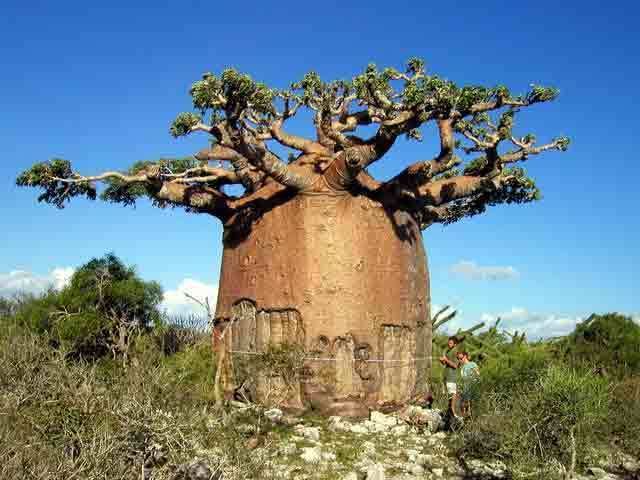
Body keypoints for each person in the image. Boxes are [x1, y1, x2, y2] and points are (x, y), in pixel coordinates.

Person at [439, 336, 460, 418]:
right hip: (446, 375)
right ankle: (449, 412)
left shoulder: (456, 351)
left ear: (455, 344)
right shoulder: (448, 351)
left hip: (452, 376)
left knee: (453, 394)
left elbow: (455, 366)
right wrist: (442, 361)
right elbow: (446, 364)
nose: (449, 344)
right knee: (449, 395)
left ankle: (453, 412)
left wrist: (446, 360)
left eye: (451, 343)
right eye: (448, 342)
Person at [457, 350, 480, 417]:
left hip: (471, 387)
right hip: (464, 389)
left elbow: (477, 375)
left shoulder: (472, 364)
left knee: (470, 406)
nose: (459, 360)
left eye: (461, 358)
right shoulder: (462, 367)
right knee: (462, 406)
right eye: (458, 358)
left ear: (465, 356)